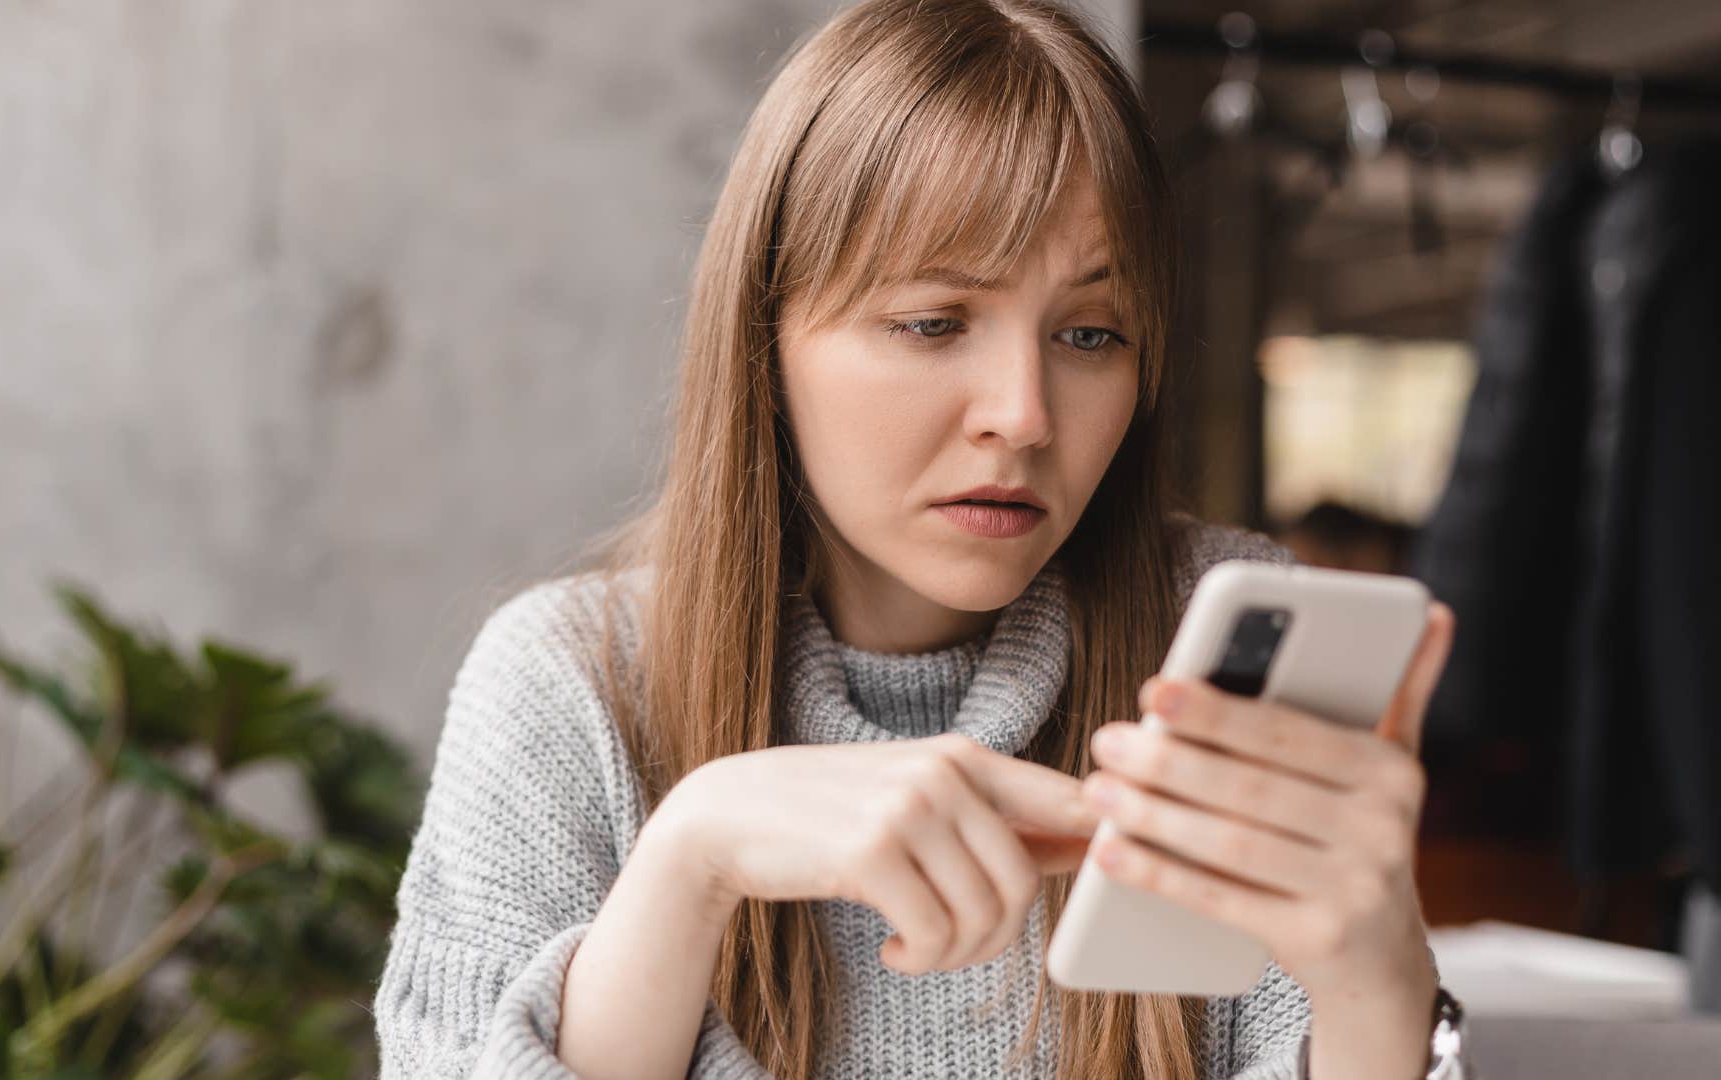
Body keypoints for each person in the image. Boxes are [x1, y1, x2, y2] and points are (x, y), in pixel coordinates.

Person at [375, 1, 1466, 1076]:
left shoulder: (1211, 637)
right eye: (934, 322)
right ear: (764, 338)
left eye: (1091, 333)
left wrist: (1376, 984)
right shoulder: (573, 682)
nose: (1025, 413)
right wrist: (687, 865)